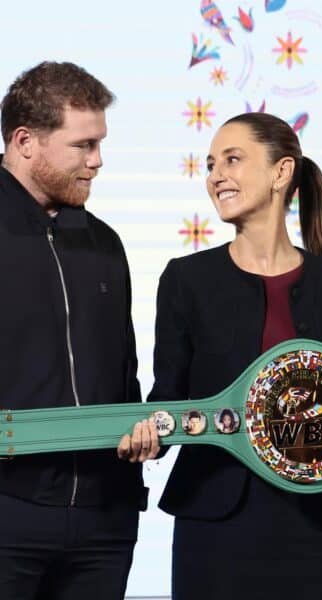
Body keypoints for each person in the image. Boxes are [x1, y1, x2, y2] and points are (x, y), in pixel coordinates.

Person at [144, 112, 322, 600]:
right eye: (210, 165)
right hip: (214, 520)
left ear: (281, 171)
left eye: (232, 160)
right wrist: (147, 437)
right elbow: (169, 394)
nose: (215, 176)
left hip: (313, 525)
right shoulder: (186, 279)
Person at [0, 61, 157, 600]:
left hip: (104, 522)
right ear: (25, 141)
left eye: (100, 144)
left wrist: (144, 435)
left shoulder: (105, 243)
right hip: (8, 515)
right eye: (83, 146)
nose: (97, 161)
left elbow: (124, 373)